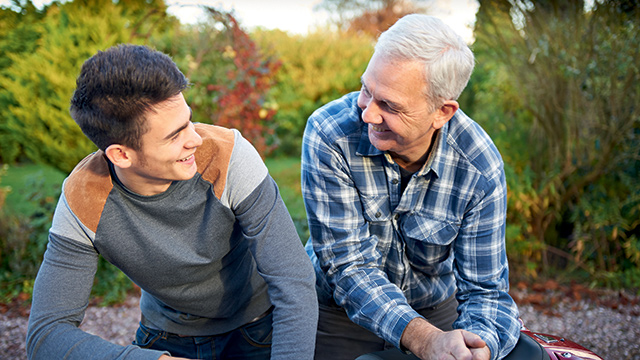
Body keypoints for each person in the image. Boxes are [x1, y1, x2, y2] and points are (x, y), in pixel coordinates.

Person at [26, 44, 318, 360]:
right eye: (174, 135)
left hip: (260, 329)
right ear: (121, 154)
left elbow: (294, 283)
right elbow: (47, 335)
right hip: (166, 336)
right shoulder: (84, 197)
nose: (195, 138)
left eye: (188, 121)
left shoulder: (229, 157)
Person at [301, 14, 520, 360]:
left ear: (442, 112)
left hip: (435, 310)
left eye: (388, 105)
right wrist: (423, 339)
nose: (368, 114)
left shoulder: (479, 167)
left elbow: (486, 291)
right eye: (365, 89)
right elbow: (347, 266)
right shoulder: (330, 134)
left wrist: (477, 348)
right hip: (336, 314)